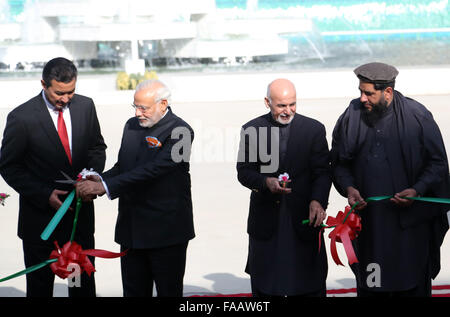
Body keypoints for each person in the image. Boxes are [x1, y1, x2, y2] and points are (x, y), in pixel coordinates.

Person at [331, 62, 449, 297]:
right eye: (360, 92)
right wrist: (349, 187)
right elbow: (339, 163)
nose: (362, 98)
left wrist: (417, 189)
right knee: (372, 286)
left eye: (369, 93)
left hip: (410, 227)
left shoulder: (418, 116)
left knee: (412, 282)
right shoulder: (351, 115)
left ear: (388, 92)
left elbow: (438, 164)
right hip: (370, 227)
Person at [76, 79, 195, 297]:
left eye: (144, 108)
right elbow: (124, 166)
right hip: (132, 230)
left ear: (163, 104)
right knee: (133, 291)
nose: (138, 113)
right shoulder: (131, 126)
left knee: (169, 291)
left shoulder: (182, 132)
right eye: (135, 107)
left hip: (166, 232)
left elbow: (156, 170)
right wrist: (99, 178)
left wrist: (105, 186)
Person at [0, 57, 107, 297]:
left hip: (79, 218)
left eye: (71, 92)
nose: (66, 99)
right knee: (40, 288)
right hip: (40, 223)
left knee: (81, 285)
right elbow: (9, 166)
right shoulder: (22, 117)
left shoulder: (86, 106)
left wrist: (91, 176)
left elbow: (97, 148)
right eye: (59, 93)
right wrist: (43, 194)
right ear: (43, 84)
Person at [236, 78, 331, 297]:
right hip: (267, 219)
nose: (288, 111)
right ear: (267, 102)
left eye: (292, 104)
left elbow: (323, 172)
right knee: (267, 283)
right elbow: (244, 172)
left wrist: (318, 201)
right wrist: (265, 182)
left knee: (309, 281)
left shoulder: (314, 129)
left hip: (304, 218)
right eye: (281, 106)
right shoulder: (252, 129)